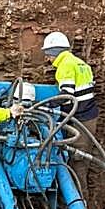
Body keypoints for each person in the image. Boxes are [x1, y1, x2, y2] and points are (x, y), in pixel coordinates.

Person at [41, 32, 99, 191]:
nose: (47, 58)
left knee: (77, 162)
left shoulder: (65, 66)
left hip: (82, 118)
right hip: (88, 115)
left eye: (48, 54)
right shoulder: (80, 63)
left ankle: (79, 205)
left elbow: (67, 97)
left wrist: (44, 106)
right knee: (79, 161)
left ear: (54, 52)